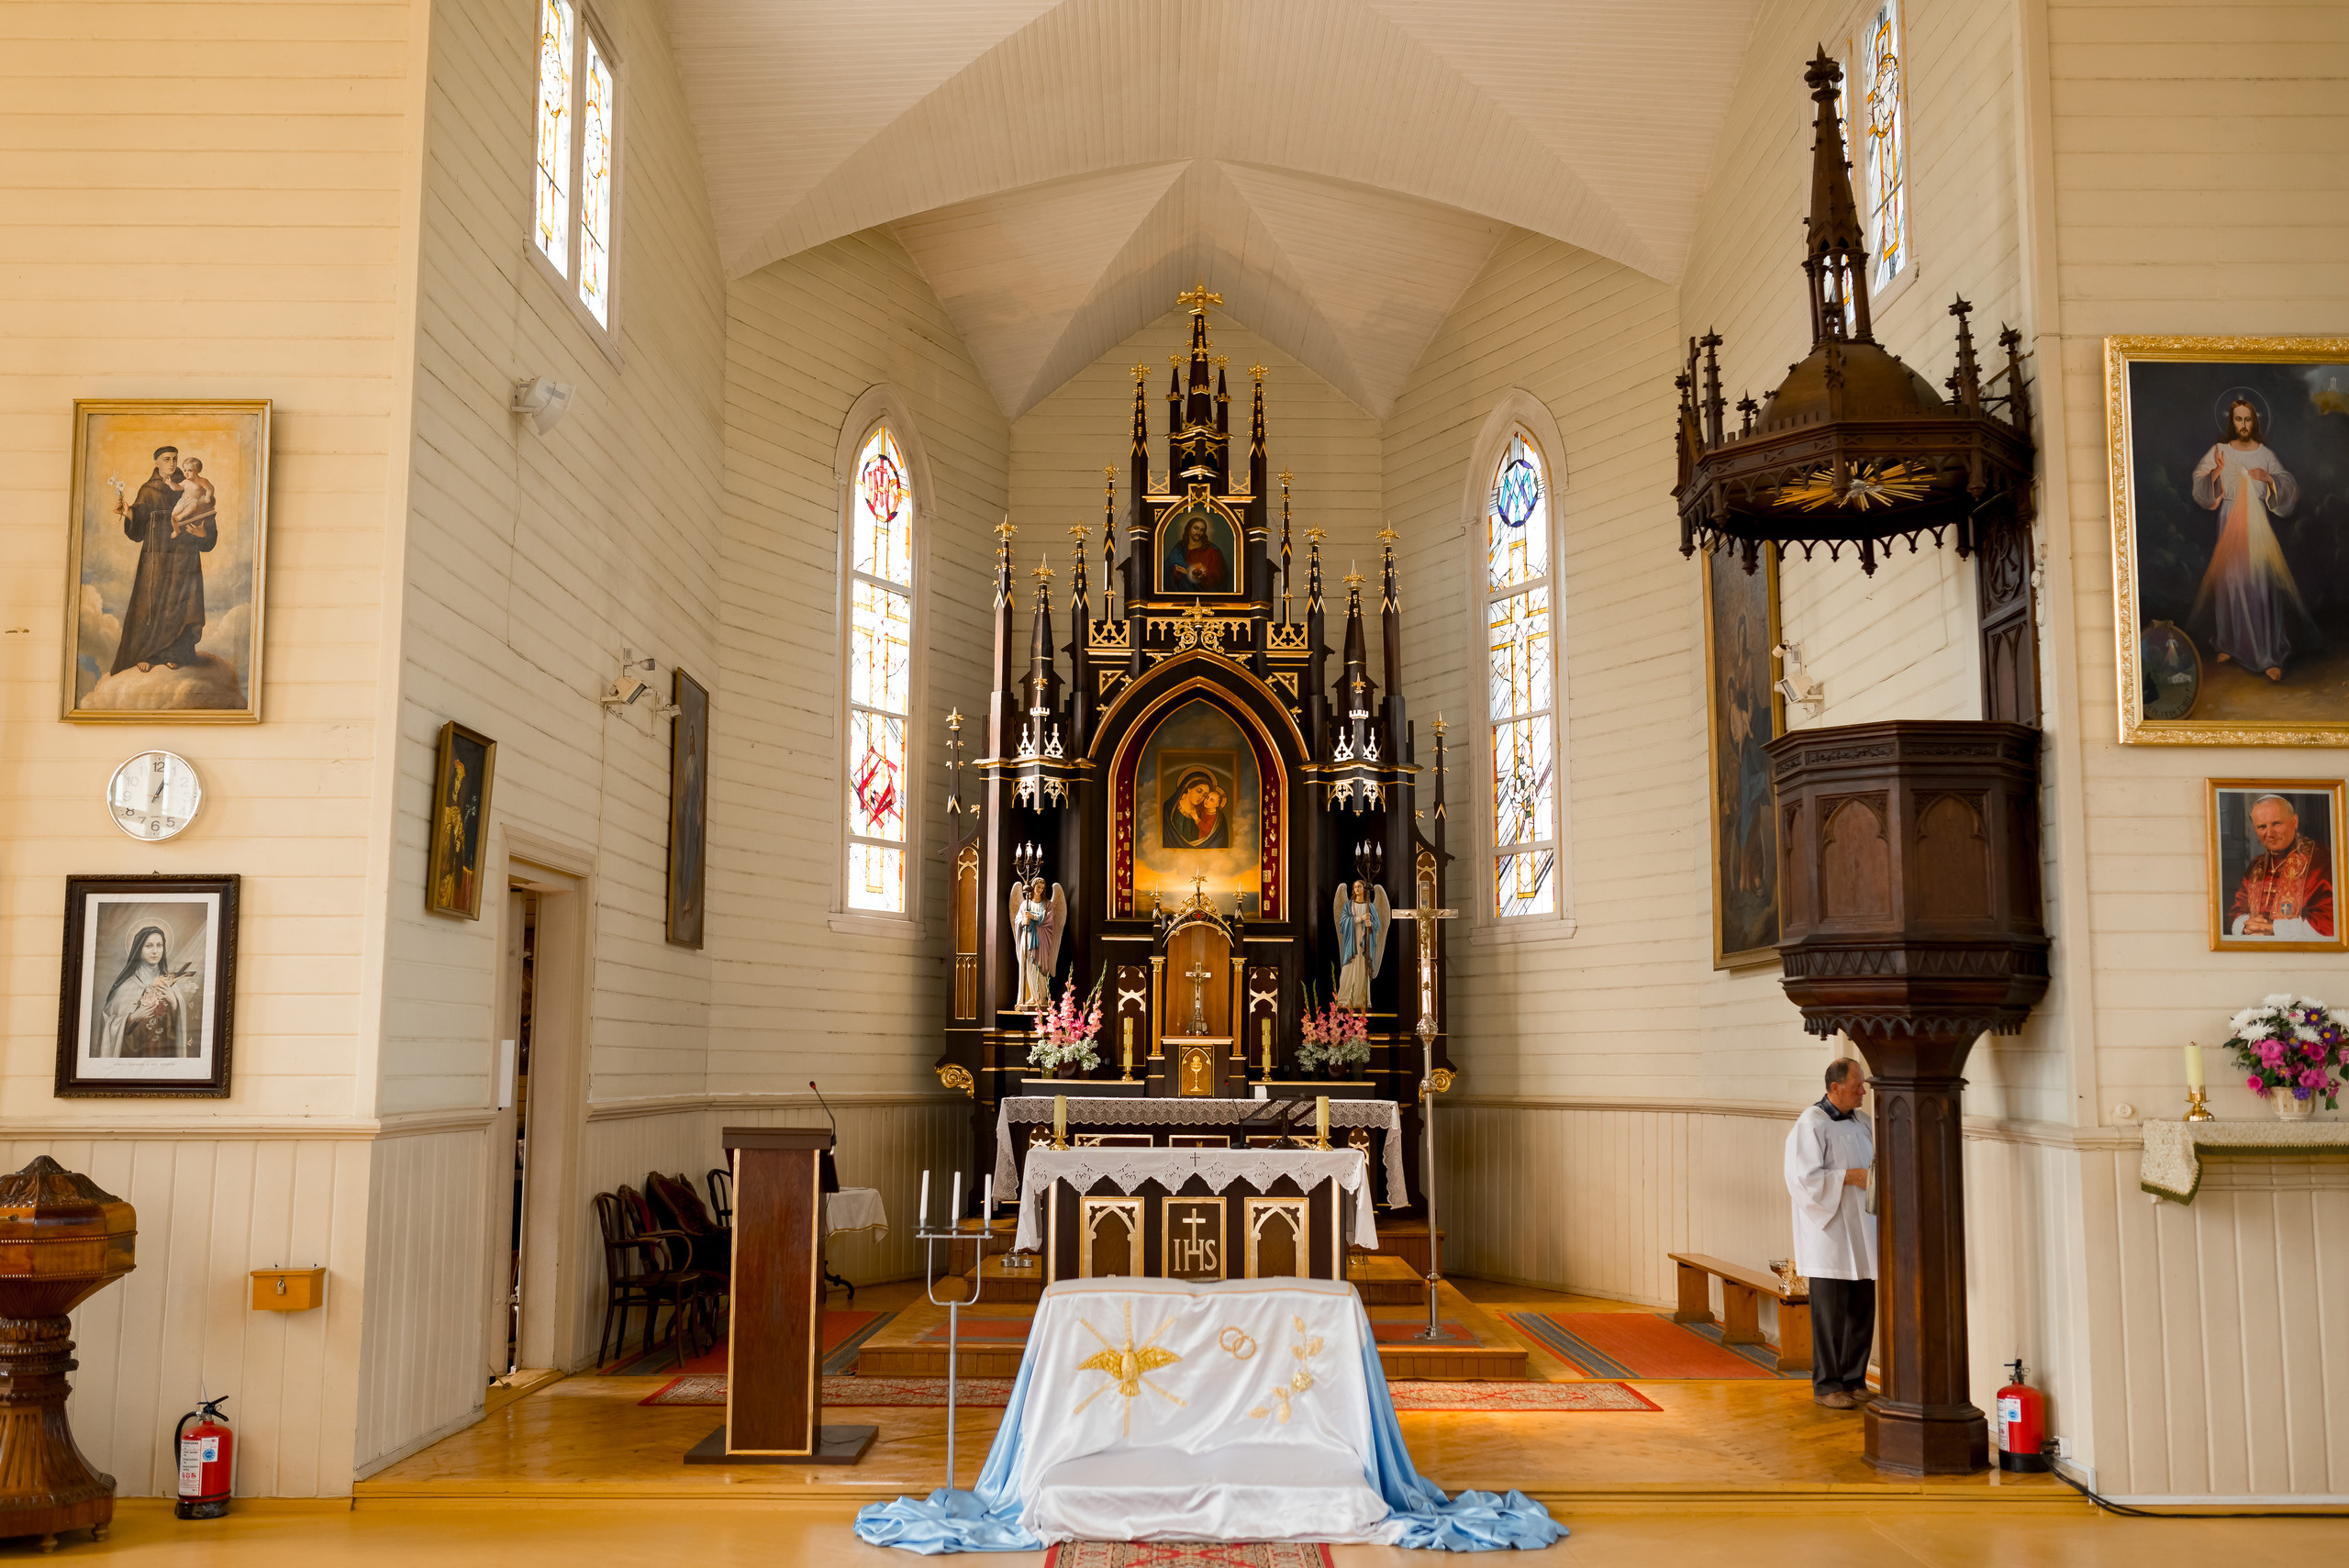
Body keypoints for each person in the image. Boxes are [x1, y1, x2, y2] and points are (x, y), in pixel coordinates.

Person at [1784, 1059, 1876, 1410]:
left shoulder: (1863, 1122)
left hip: (1864, 1230)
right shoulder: (1811, 1124)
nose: (1863, 1091)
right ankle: (1826, 1385)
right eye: (1857, 1086)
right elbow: (1803, 1180)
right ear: (1835, 1087)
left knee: (1862, 1309)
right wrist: (1850, 1176)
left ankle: (1855, 1379)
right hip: (1830, 1232)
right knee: (1830, 1315)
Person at [2190, 397, 2303, 681]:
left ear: (2255, 421)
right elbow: (2200, 483)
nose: (2243, 425)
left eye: (2248, 419)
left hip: (2257, 525)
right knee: (2230, 582)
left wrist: (2269, 479)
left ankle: (2267, 655)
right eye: (2238, 419)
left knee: (2260, 584)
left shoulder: (2265, 454)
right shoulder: (2220, 450)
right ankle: (2229, 643)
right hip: (2229, 520)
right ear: (2232, 422)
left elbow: (2288, 485)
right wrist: (2216, 470)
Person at [110, 444, 217, 674]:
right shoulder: (148, 489)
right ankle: (148, 654)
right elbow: (137, 527)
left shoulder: (189, 484)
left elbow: (206, 509)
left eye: (175, 459)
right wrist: (128, 512)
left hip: (184, 555)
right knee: (152, 601)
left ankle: (174, 654)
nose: (172, 463)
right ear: (157, 463)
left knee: (180, 602)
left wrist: (204, 533)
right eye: (166, 459)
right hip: (156, 557)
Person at [2230, 794, 2334, 940]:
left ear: (2294, 821)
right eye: (2262, 827)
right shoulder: (2256, 866)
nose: (2270, 833)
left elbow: (2330, 922)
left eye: (2276, 823)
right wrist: (2247, 927)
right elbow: (2238, 909)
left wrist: (2274, 929)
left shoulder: (2322, 859)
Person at [95, 926, 193, 1059]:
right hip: (133, 1058)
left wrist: (175, 1003)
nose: (155, 951)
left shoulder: (170, 985)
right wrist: (132, 1018)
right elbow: (107, 1022)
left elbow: (179, 1031)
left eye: (159, 945)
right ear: (139, 949)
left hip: (164, 1056)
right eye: (149, 946)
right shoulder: (125, 987)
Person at [1163, 514, 1230, 593]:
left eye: (1202, 530)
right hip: (1183, 596)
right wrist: (1176, 571)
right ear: (1188, 530)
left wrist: (1205, 575)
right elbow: (1165, 570)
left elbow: (1220, 575)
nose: (1198, 532)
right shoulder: (1179, 549)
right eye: (1196, 528)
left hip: (1206, 595)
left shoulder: (1212, 551)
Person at [1163, 769, 1229, 849]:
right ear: (1189, 789)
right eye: (1199, 791)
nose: (1201, 797)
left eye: (1205, 795)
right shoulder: (1169, 810)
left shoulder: (1202, 812)